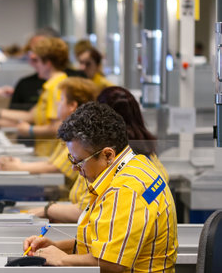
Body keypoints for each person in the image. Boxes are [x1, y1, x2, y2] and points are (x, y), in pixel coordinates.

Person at [24, 102, 177, 273]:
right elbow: (108, 244)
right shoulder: (138, 165)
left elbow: (111, 262)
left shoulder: (124, 190)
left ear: (108, 155)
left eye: (79, 161)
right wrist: (57, 247)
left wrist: (62, 259)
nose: (74, 168)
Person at [33, 86, 169, 223]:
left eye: (79, 162)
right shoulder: (144, 155)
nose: (75, 168)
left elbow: (88, 212)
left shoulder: (115, 175)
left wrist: (48, 209)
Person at [0, 77, 97, 185]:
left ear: (72, 105)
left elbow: (56, 168)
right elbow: (51, 163)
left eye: (62, 99)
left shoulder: (78, 136)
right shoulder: (71, 131)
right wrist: (19, 164)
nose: (58, 103)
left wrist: (18, 167)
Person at [0, 37, 69, 157]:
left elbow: (57, 127)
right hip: (44, 153)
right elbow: (31, 115)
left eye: (36, 60)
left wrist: (30, 131)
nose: (34, 65)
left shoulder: (56, 87)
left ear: (47, 63)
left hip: (50, 155)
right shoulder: (51, 85)